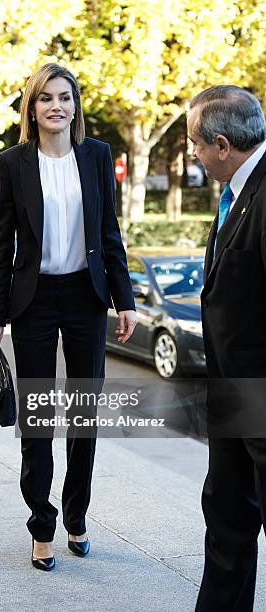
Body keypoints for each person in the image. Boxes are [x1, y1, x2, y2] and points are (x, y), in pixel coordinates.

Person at [0, 63, 136, 571]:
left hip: (86, 298)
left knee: (84, 416)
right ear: (32, 107)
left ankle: (76, 516)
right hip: (34, 301)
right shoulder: (13, 162)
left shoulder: (95, 156)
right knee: (39, 421)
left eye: (64, 97)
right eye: (45, 98)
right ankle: (41, 524)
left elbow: (110, 234)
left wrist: (125, 300)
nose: (55, 106)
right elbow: (4, 245)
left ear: (75, 105)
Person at [187, 85, 266, 611]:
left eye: (193, 144)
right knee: (227, 513)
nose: (191, 154)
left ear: (220, 144)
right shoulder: (238, 191)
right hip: (235, 395)